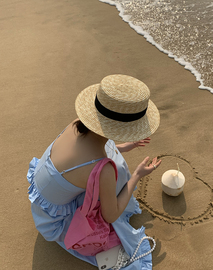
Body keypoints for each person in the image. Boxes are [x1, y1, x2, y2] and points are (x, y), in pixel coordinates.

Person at [27, 74, 161, 269]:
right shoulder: (103, 170)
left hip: (43, 200)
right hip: (54, 220)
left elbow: (91, 150)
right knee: (118, 168)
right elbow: (110, 216)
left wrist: (124, 146)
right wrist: (137, 175)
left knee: (114, 159)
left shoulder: (76, 125)